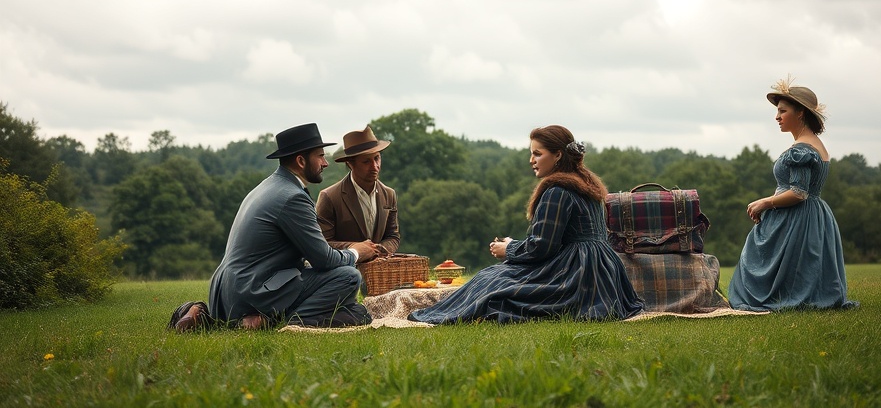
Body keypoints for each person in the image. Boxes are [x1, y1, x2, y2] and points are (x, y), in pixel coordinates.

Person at [408, 125, 643, 324]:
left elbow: (542, 247)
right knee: (496, 277)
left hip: (575, 276)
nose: (531, 160)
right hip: (603, 276)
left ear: (558, 155)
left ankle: (441, 315)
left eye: (537, 153)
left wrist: (507, 249)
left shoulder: (558, 191)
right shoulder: (587, 187)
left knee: (492, 280)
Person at [205, 123, 372, 329]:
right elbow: (324, 260)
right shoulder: (292, 197)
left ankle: (256, 318)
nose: (325, 163)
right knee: (348, 277)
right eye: (320, 156)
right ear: (301, 161)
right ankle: (278, 320)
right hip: (251, 292)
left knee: (357, 313)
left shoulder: (266, 187)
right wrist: (356, 252)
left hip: (225, 292)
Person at [727, 77, 858, 311]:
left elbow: (799, 192)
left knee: (759, 258)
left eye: (782, 111)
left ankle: (777, 300)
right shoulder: (812, 144)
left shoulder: (802, 149)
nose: (777, 117)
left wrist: (765, 202)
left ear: (800, 113)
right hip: (812, 216)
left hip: (799, 216)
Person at [316, 125, 400, 263]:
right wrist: (357, 249)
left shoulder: (389, 194)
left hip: (380, 273)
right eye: (366, 161)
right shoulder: (329, 197)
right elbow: (322, 244)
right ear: (350, 164)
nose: (375, 166)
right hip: (345, 273)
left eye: (377, 158)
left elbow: (393, 236)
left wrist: (380, 251)